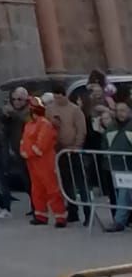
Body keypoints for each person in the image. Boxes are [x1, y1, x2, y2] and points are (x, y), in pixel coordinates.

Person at [21, 96, 67, 226]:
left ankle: (60, 217)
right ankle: (41, 215)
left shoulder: (45, 124)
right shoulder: (29, 125)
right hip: (33, 163)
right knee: (37, 190)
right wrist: (24, 152)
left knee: (52, 189)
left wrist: (28, 153)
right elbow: (24, 141)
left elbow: (41, 144)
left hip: (45, 162)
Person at [49, 83, 89, 224]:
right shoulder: (50, 109)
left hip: (73, 150)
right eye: (55, 97)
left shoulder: (75, 110)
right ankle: (73, 211)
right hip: (60, 151)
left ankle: (87, 212)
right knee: (66, 183)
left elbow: (81, 129)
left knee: (80, 182)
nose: (57, 100)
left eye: (59, 97)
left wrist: (77, 145)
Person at [104, 100, 132, 231]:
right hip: (117, 167)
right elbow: (105, 145)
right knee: (123, 193)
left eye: (123, 110)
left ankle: (120, 221)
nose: (121, 113)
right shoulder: (111, 127)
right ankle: (120, 221)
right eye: (118, 110)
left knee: (125, 193)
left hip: (129, 165)